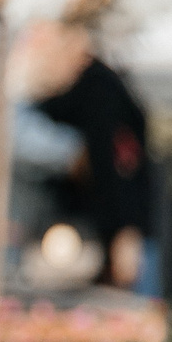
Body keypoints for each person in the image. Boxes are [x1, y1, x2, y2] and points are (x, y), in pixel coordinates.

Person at [15, 19, 156, 291]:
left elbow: (121, 167)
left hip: (111, 232)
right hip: (85, 231)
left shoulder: (100, 92)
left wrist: (126, 232)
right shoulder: (74, 94)